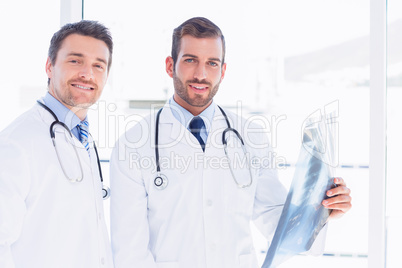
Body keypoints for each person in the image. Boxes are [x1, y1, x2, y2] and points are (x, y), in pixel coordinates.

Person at [109, 17, 352, 267]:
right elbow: (130, 250)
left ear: (223, 71)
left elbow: (277, 222)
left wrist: (322, 209)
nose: (201, 74)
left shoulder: (251, 136)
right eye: (190, 60)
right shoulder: (133, 144)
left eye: (212, 63)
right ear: (171, 66)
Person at [0, 20, 114, 267]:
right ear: (49, 67)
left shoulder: (83, 139)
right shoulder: (16, 144)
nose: (87, 73)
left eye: (98, 65)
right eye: (75, 61)